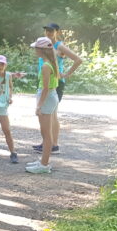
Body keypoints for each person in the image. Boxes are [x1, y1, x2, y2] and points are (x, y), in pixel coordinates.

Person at [32, 23, 82, 154]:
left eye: (51, 31)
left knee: (52, 114)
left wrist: (66, 74)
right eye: (46, 30)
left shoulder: (59, 46)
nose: (48, 33)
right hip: (45, 80)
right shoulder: (44, 45)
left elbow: (78, 60)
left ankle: (53, 144)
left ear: (57, 32)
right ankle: (48, 143)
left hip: (55, 83)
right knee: (50, 114)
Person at [27, 37, 60, 174]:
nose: (34, 50)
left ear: (41, 50)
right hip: (51, 96)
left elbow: (46, 88)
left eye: (36, 48)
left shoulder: (46, 66)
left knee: (46, 134)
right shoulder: (51, 62)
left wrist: (39, 106)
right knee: (46, 132)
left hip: (46, 98)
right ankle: (43, 161)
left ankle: (44, 164)